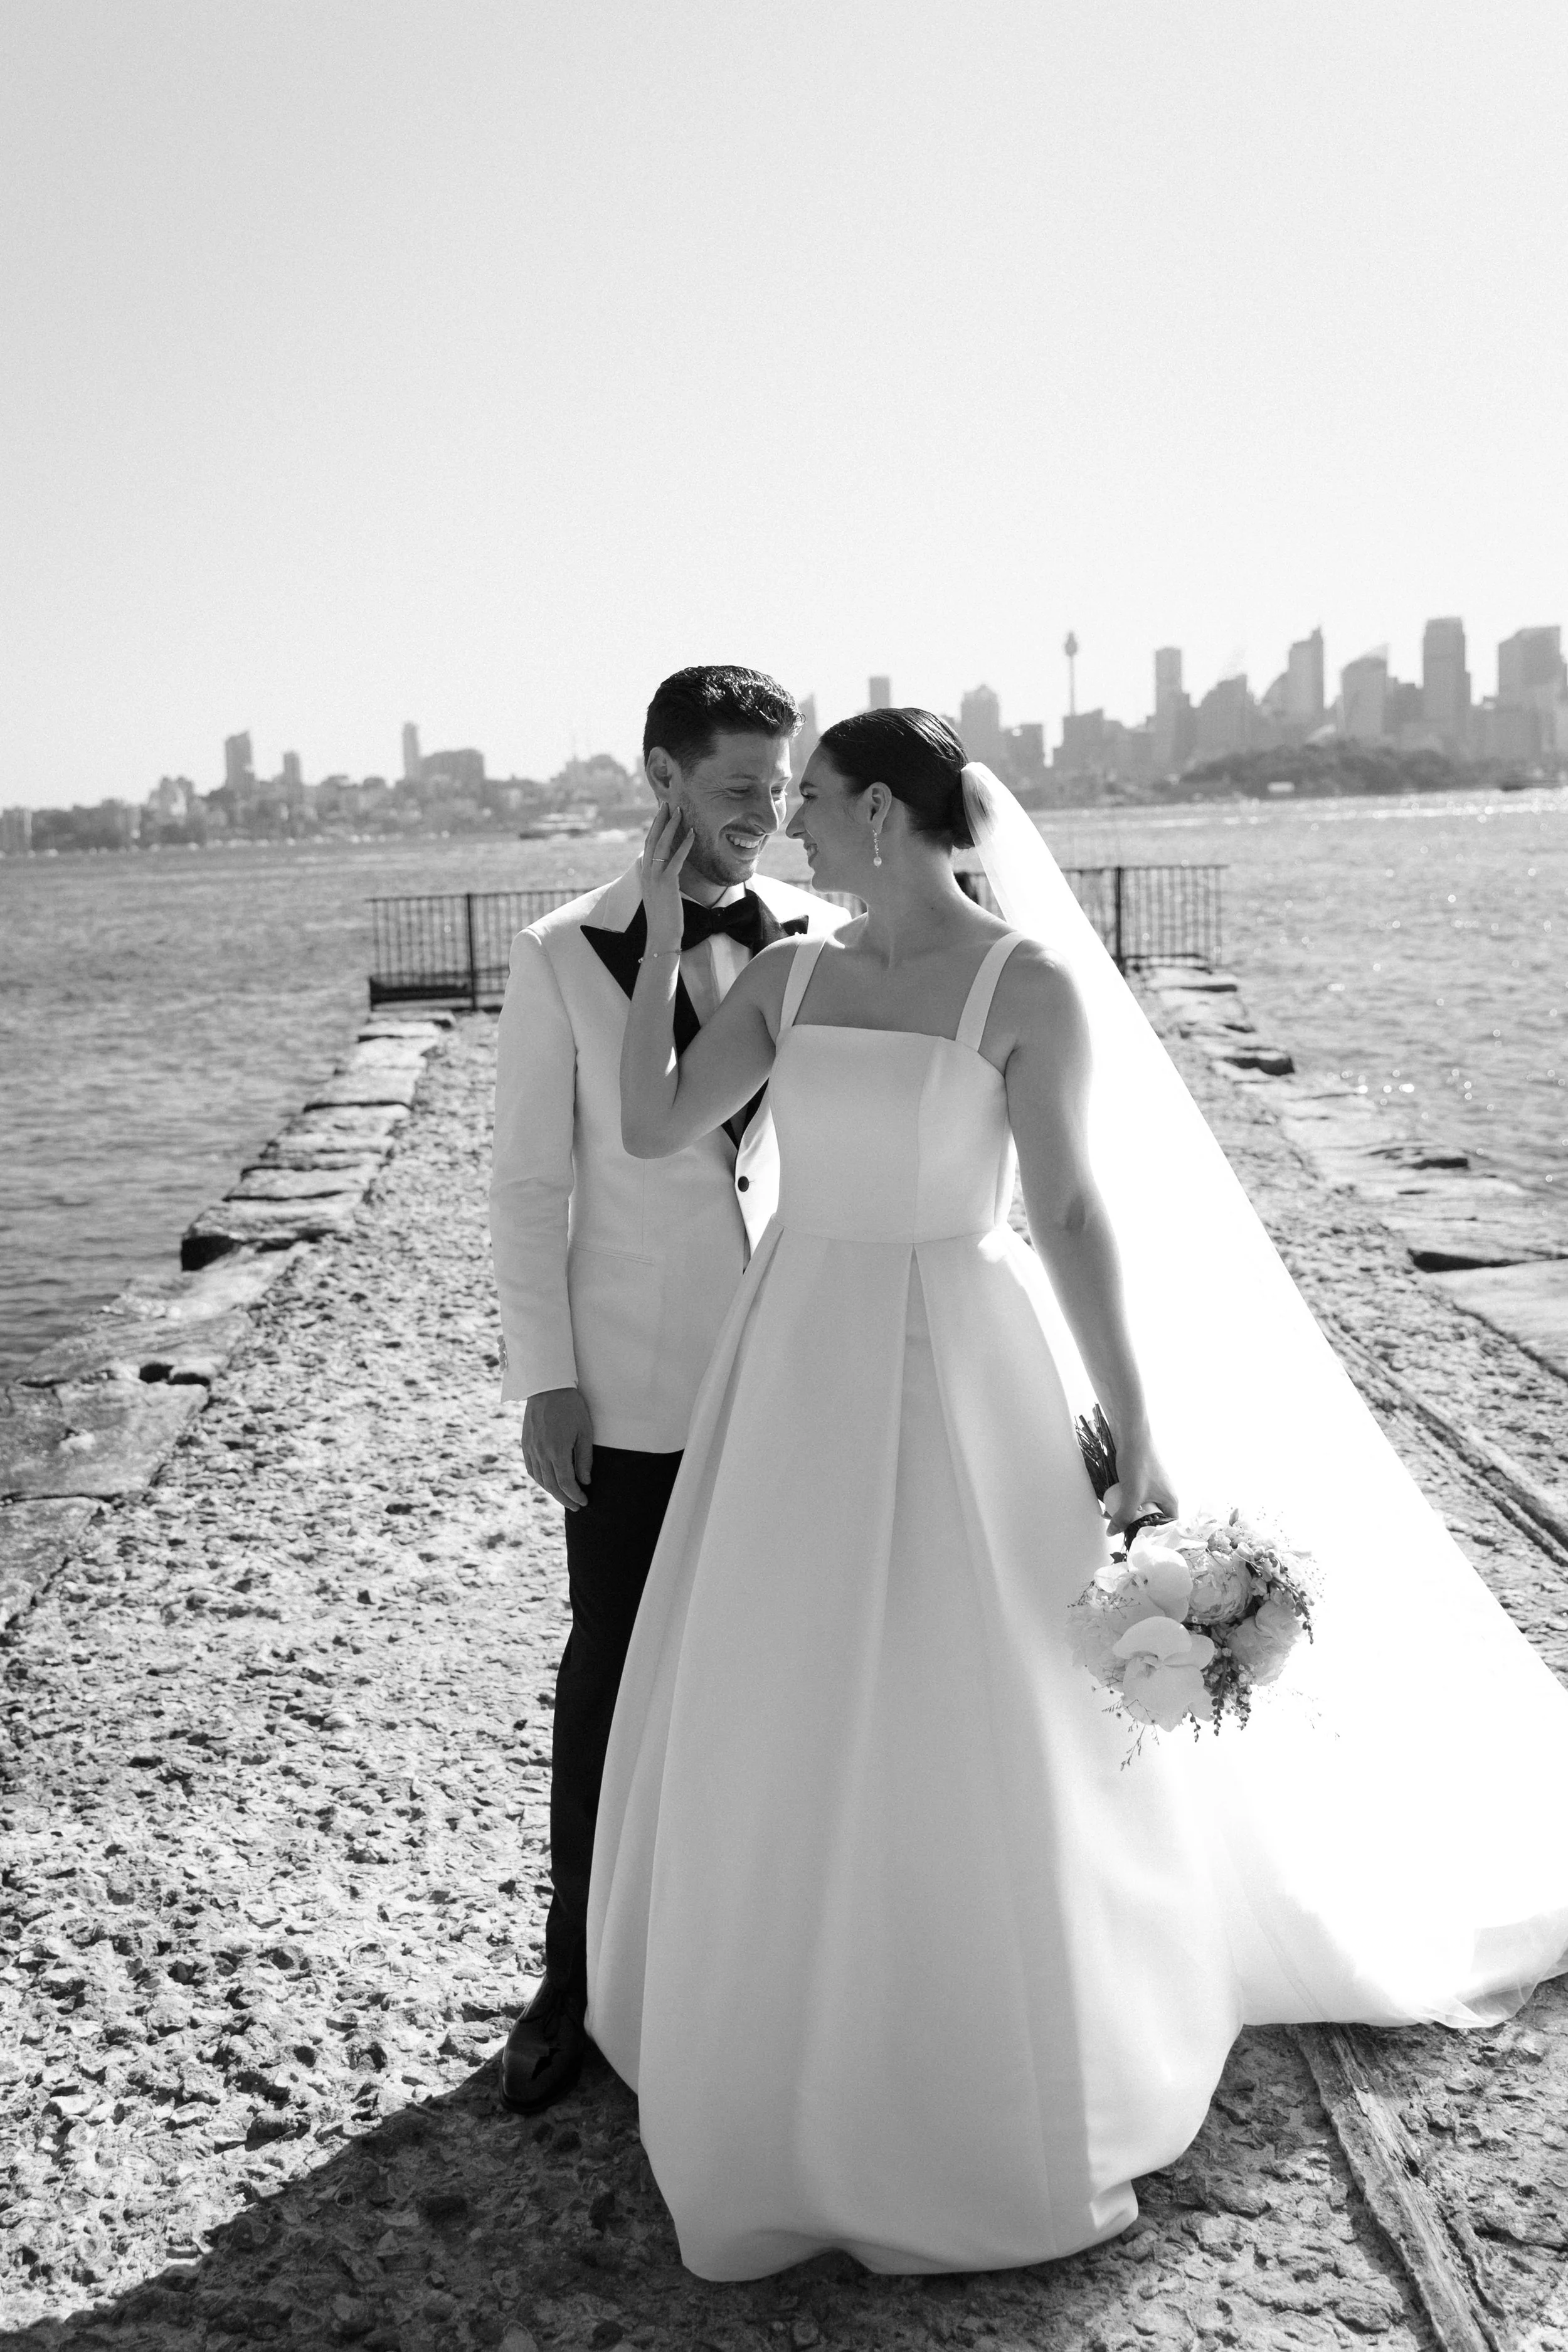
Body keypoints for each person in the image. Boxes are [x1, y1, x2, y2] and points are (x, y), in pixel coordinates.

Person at [586, 706, 1568, 2280]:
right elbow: (650, 1124)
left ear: (891, 818)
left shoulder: (1022, 985)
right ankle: (785, 2019)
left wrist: (1136, 1425)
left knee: (993, 1688)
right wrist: (649, 952)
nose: (797, 831)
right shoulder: (781, 970)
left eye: (821, 804)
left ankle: (998, 2034)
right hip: (793, 1361)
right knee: (786, 1667)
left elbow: (1077, 1209)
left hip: (966, 1349)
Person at [489, 665, 847, 2114]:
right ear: (658, 780)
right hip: (635, 1383)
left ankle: (755, 1975)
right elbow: (527, 1190)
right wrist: (545, 1381)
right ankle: (570, 1980)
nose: (764, 816)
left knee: (790, 1676)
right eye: (734, 789)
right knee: (611, 1670)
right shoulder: (559, 953)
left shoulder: (834, 939)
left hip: (806, 1367)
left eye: (779, 787)